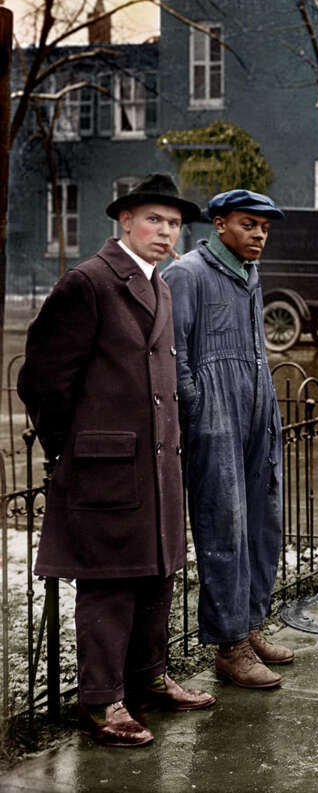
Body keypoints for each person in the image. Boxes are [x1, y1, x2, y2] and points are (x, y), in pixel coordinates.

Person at [18, 173, 215, 747]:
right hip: (106, 466)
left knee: (156, 570)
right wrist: (74, 447)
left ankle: (148, 678)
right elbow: (43, 380)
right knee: (108, 582)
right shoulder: (89, 282)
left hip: (154, 464)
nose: (166, 231)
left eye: (174, 223)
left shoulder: (160, 284)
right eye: (155, 219)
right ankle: (102, 703)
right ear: (125, 220)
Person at [163, 189, 290, 689]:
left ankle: (251, 623)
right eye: (247, 224)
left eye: (264, 226)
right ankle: (229, 645)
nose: (259, 234)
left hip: (257, 411)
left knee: (264, 523)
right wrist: (197, 410)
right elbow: (173, 357)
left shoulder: (249, 273)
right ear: (218, 224)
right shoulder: (188, 274)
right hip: (215, 420)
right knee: (224, 528)